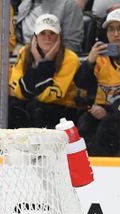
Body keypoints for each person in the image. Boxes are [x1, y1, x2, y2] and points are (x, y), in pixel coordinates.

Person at [8, 14, 82, 129]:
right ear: (35, 37)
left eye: (52, 33)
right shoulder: (24, 52)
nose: (47, 38)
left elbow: (49, 96)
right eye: (42, 33)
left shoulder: (70, 58)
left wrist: (44, 64)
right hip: (32, 104)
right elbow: (20, 92)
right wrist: (36, 62)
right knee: (12, 109)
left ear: (59, 37)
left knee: (38, 110)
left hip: (63, 110)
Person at [74, 8, 120, 156]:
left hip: (114, 110)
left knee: (108, 125)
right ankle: (87, 167)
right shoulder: (101, 57)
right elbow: (81, 84)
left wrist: (108, 111)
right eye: (111, 30)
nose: (116, 34)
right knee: (85, 122)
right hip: (102, 108)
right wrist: (89, 62)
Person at [16, 0, 84, 53]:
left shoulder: (69, 5)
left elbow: (71, 46)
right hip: (25, 55)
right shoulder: (26, 3)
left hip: (55, 61)